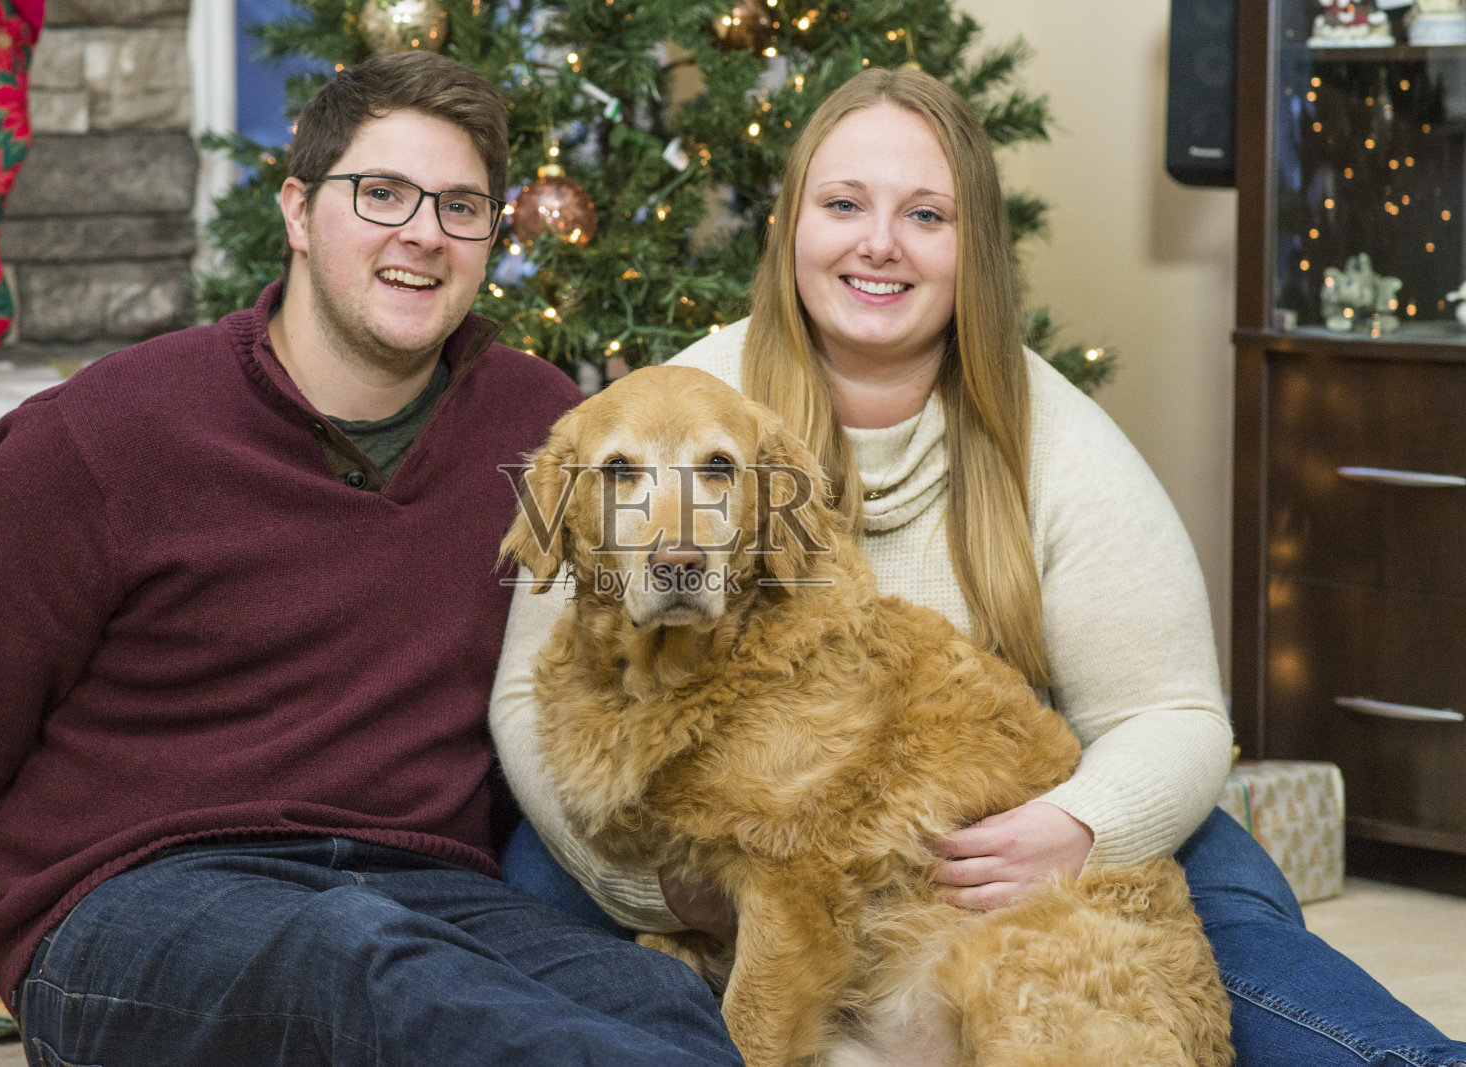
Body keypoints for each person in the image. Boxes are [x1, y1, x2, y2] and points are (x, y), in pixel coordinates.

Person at [490, 66, 1466, 1066]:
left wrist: (1080, 824)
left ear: (974, 250)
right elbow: (535, 690)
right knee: (542, 890)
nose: (879, 243)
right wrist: (653, 883)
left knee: (1249, 973)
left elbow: (1171, 717)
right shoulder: (688, 399)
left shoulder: (1059, 439)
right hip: (748, 821)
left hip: (1029, 818)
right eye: (842, 205)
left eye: (925, 213)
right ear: (791, 227)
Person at [0, 52, 743, 1067]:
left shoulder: (541, 427)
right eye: (381, 193)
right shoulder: (100, 435)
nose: (423, 231)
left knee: (649, 995)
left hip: (427, 891)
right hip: (139, 905)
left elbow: (609, 667)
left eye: (462, 207)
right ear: (296, 209)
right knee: (356, 959)